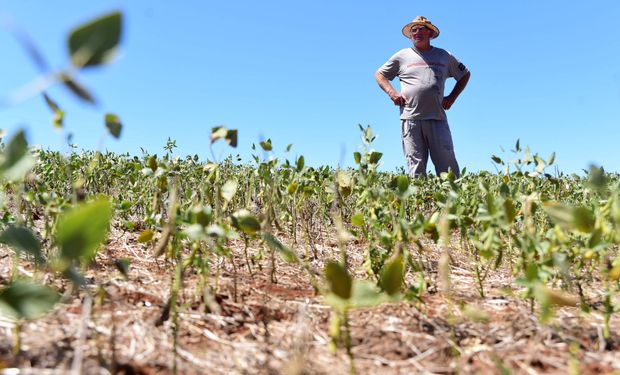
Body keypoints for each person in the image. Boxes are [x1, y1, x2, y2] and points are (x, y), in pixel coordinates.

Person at [375, 16, 470, 178]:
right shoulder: (401, 56)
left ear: (431, 34)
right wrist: (392, 93)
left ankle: (452, 201)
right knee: (415, 167)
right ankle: (419, 202)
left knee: (448, 168)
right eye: (414, 30)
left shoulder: (444, 56)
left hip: (437, 118)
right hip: (410, 119)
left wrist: (452, 97)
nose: (417, 32)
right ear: (410, 35)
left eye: (422, 29)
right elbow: (380, 74)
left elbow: (465, 74)